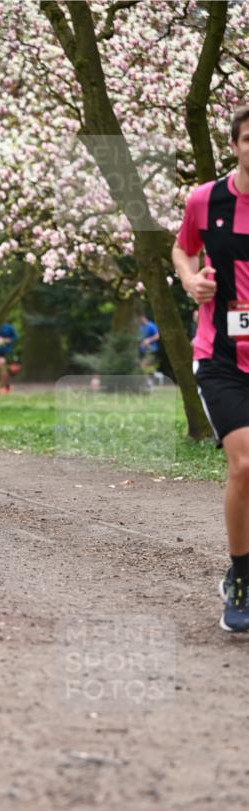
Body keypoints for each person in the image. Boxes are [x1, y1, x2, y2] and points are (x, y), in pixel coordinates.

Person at [172, 105, 249, 633]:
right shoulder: (206, 198)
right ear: (236, 144)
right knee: (244, 465)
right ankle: (241, 577)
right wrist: (190, 280)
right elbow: (182, 250)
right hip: (220, 358)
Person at [0, 321, 18, 393]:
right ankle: (7, 386)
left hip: (6, 351)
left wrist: (5, 340)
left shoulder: (8, 327)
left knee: (2, 367)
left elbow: (15, 338)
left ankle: (2, 387)